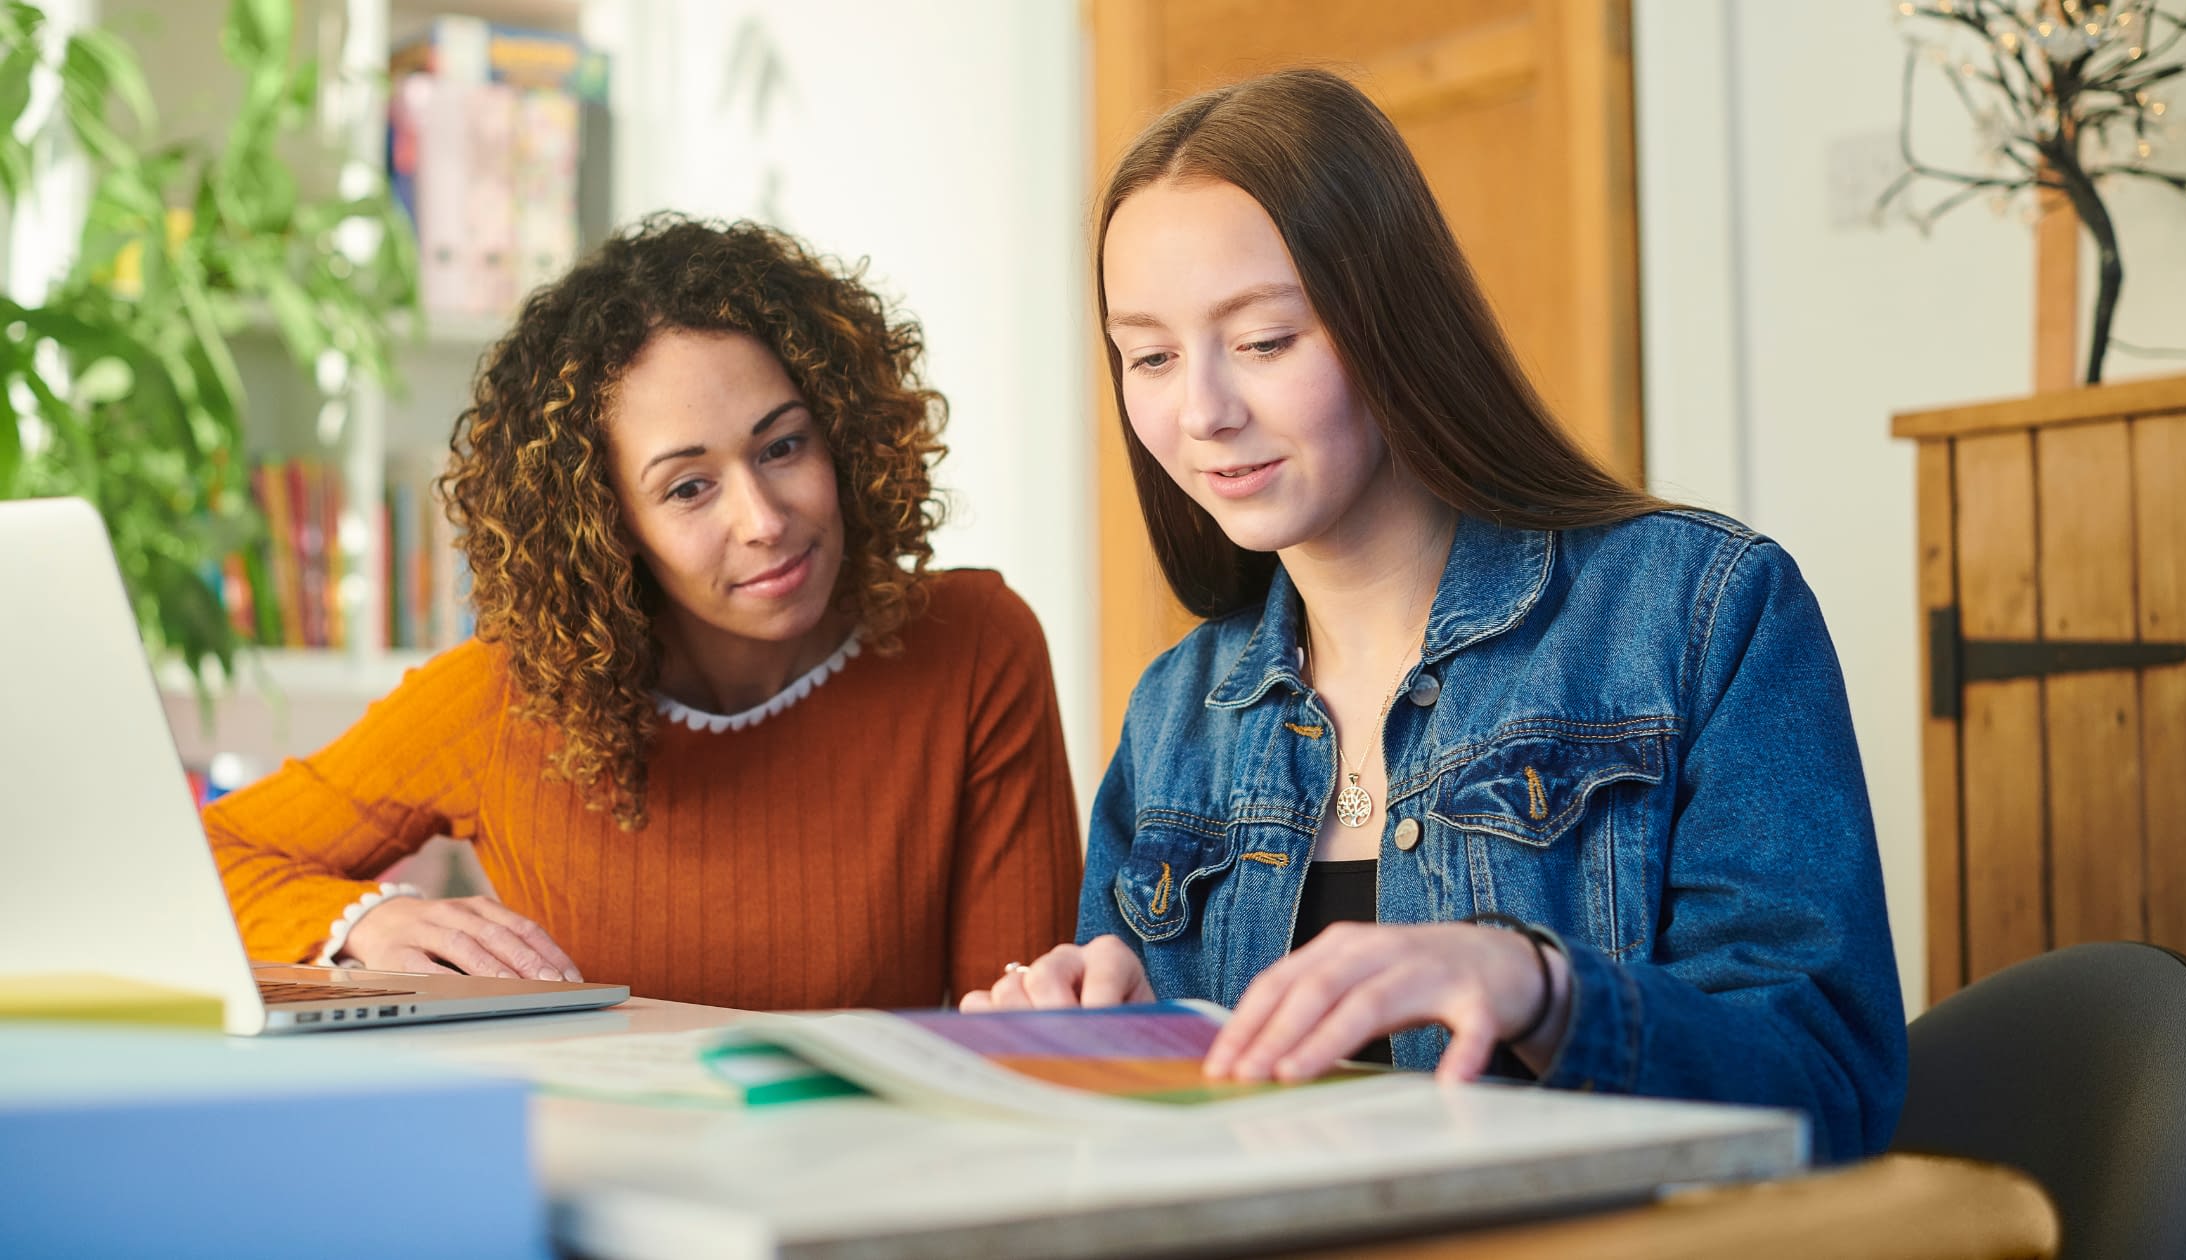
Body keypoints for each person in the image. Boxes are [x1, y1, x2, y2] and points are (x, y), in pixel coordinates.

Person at [961, 69, 1904, 1162]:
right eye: (1151, 357)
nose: (1202, 412)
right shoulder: (1177, 714)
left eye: (1263, 341)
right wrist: (1099, 1040)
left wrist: (1539, 991)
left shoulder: (1698, 614)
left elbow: (1828, 1096)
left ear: (1392, 324)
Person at [205, 215, 1082, 1011]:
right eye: (689, 487)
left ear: (842, 434)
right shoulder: (502, 699)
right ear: (606, 522)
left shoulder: (973, 646)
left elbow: (1020, 1028)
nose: (764, 520)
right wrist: (367, 922)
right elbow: (207, 856)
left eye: (783, 446)